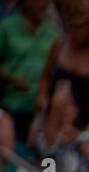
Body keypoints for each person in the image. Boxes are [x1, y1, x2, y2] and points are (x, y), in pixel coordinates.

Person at [37, 2, 89, 130]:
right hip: (53, 111)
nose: (74, 33)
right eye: (71, 27)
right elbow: (45, 76)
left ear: (88, 28)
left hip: (81, 117)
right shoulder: (59, 46)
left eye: (78, 28)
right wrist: (42, 95)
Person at [0, 0, 59, 142]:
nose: (44, 4)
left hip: (38, 110)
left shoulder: (53, 32)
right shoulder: (6, 28)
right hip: (9, 104)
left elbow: (53, 70)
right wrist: (11, 78)